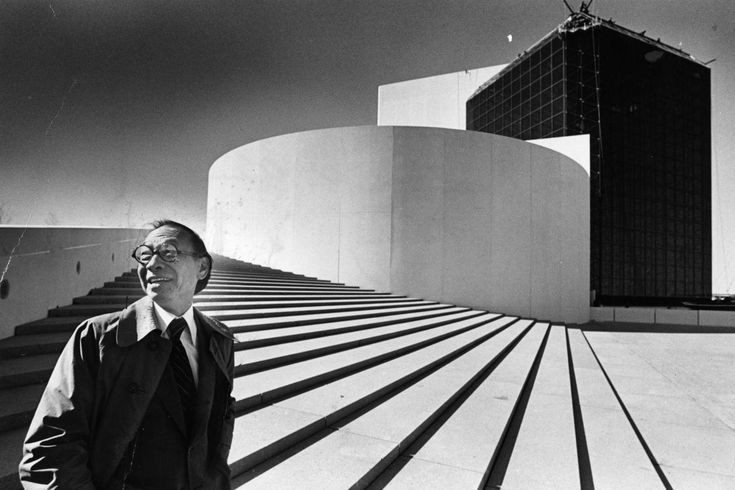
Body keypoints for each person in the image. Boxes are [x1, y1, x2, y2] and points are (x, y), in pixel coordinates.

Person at [19, 220, 236, 489]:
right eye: (145, 255)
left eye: (169, 252)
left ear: (202, 267)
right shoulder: (98, 336)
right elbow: (51, 447)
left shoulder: (219, 340)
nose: (152, 264)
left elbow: (218, 431)